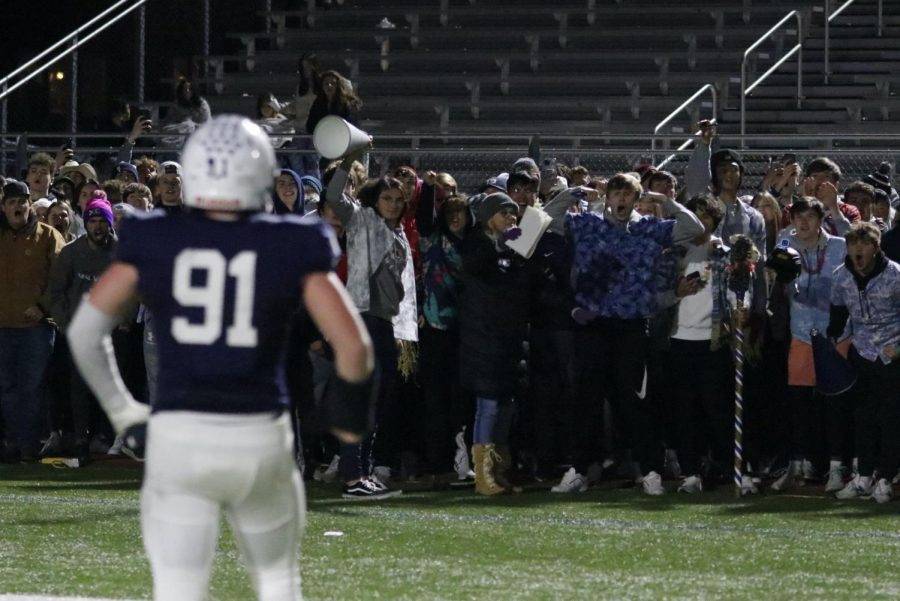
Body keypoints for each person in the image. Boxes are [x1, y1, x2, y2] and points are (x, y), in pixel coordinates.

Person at [67, 115, 374, 601]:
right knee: (277, 583)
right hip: (259, 437)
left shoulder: (155, 236)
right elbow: (354, 346)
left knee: (179, 587)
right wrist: (350, 416)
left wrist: (123, 409)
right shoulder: (290, 240)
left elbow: (85, 332)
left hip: (179, 437)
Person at [828, 222, 900, 504]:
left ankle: (885, 478)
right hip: (861, 351)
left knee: (890, 418)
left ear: (875, 247)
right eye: (853, 245)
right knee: (863, 417)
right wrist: (832, 339)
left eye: (864, 244)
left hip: (891, 354)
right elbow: (837, 311)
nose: (858, 250)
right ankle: (863, 477)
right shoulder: (841, 276)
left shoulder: (895, 276)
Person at [0, 180, 65, 462]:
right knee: (6, 388)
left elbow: (61, 278)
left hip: (36, 328)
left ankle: (29, 443)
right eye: (12, 202)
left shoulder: (49, 236)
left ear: (30, 205)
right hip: (2, 326)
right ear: (3, 207)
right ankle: (11, 442)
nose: (18, 207)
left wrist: (43, 306)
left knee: (33, 387)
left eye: (22, 201)